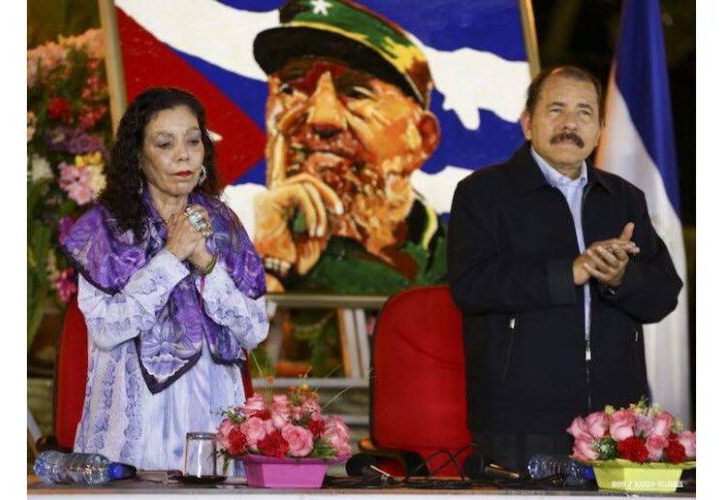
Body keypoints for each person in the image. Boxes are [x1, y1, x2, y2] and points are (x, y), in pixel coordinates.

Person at [448, 66, 682, 471]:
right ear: (528, 123)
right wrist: (568, 273)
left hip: (615, 421)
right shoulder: (482, 194)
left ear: (600, 130)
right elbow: (471, 286)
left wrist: (621, 278)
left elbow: (663, 296)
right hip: (519, 417)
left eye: (584, 112)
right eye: (556, 109)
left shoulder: (624, 198)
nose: (570, 123)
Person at [61, 87, 269, 470]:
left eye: (193, 140)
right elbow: (106, 329)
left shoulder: (225, 225)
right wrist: (172, 257)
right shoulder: (104, 228)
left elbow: (255, 330)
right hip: (138, 420)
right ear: (138, 156)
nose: (183, 155)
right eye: (164, 144)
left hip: (214, 411)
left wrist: (206, 262)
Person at [251, 0, 444, 294]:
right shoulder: (218, 246)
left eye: (356, 92)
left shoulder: (470, 254)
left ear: (421, 138)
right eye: (292, 88)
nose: (322, 118)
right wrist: (271, 265)